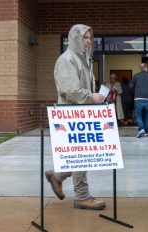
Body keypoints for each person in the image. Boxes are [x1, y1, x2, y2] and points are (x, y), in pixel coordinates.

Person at [45, 24, 106, 210]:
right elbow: (68, 90)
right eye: (84, 38)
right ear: (74, 39)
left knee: (81, 155)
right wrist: (91, 97)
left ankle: (58, 176)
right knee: (82, 155)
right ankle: (81, 196)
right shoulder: (67, 59)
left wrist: (96, 98)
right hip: (71, 115)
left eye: (89, 38)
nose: (88, 41)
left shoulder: (85, 60)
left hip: (82, 114)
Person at [130, 63, 148, 138]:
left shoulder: (136, 76)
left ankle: (141, 128)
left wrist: (134, 93)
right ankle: (146, 132)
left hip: (138, 98)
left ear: (140, 68)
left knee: (138, 115)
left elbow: (131, 87)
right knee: (147, 116)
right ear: (146, 68)